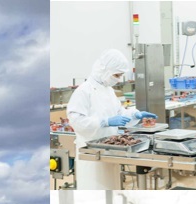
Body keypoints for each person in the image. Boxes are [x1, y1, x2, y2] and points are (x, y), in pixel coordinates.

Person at [67, 49, 157, 189]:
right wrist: (104, 122)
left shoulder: (108, 90)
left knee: (111, 189)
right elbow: (76, 121)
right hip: (90, 153)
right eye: (116, 75)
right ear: (104, 70)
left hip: (109, 149)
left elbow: (119, 113)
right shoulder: (84, 91)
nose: (118, 79)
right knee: (94, 192)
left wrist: (135, 115)